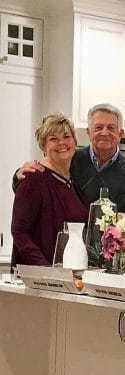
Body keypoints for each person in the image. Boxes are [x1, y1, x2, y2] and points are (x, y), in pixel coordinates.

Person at [14, 103, 125, 212]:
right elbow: (38, 185)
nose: (105, 132)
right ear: (88, 132)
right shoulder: (70, 159)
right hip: (68, 239)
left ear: (120, 133)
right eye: (98, 127)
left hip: (111, 242)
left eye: (111, 128)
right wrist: (18, 176)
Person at [11, 114, 88, 266]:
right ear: (43, 146)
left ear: (74, 142)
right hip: (39, 279)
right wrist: (45, 270)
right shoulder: (33, 179)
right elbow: (20, 232)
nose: (62, 143)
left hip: (68, 275)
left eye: (67, 136)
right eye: (53, 139)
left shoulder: (73, 183)